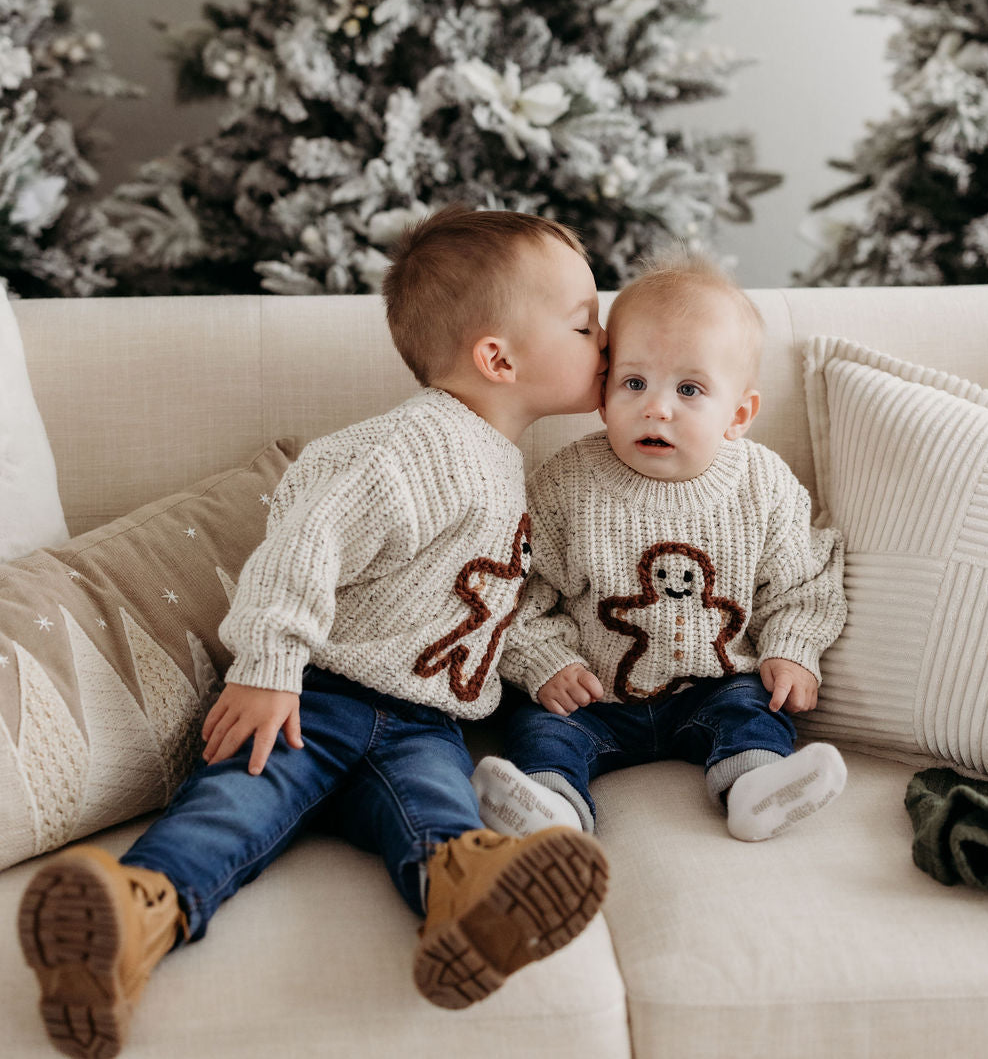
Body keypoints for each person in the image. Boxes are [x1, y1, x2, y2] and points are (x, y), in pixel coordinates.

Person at [18, 206, 611, 1059]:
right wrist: (268, 665)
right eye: (586, 322)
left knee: (439, 813)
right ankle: (126, 916)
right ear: (499, 357)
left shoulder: (504, 465)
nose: (605, 337)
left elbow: (478, 603)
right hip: (319, 696)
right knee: (232, 804)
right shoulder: (412, 444)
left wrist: (538, 661)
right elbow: (305, 536)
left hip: (423, 723)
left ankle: (469, 899)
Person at [472, 251, 848, 845]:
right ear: (603, 394)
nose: (657, 406)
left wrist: (794, 648)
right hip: (592, 693)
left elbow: (802, 581)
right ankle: (549, 805)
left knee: (753, 712)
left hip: (714, 684)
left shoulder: (764, 485)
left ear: (739, 413)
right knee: (544, 728)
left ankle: (755, 787)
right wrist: (547, 663)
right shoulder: (564, 484)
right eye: (634, 382)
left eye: (690, 389)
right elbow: (514, 588)